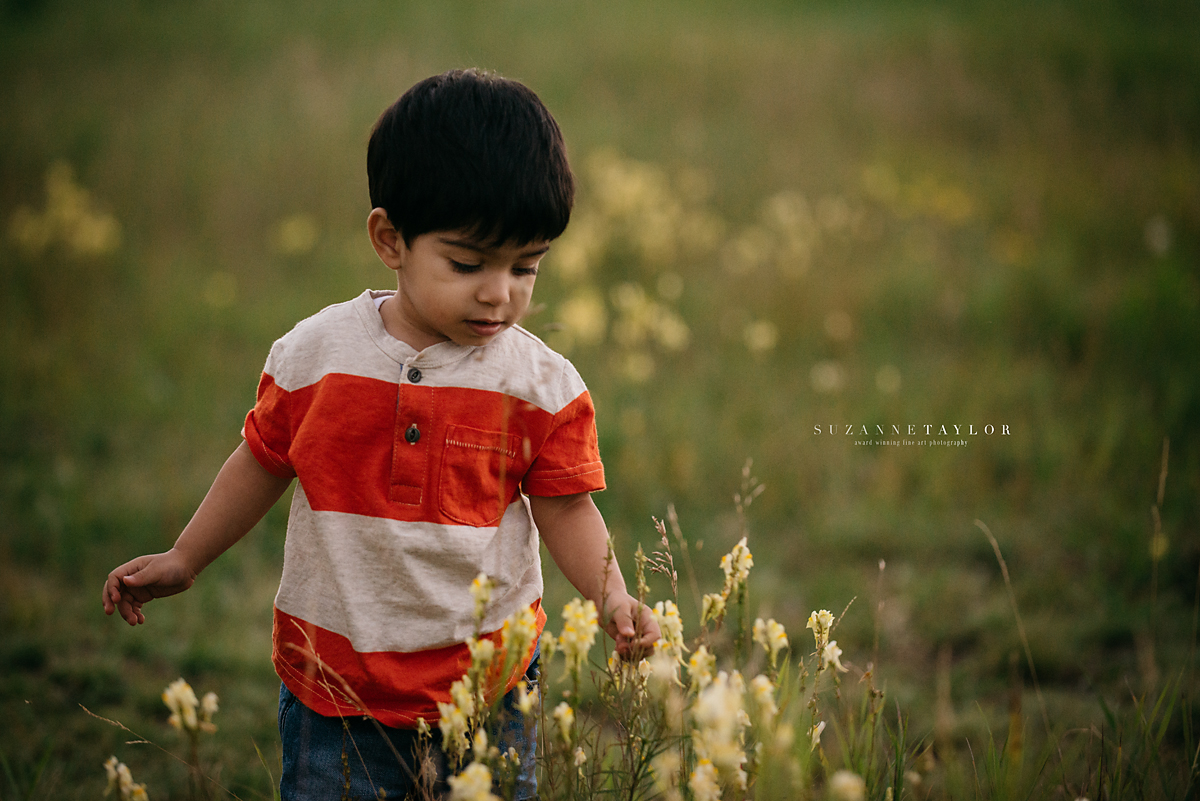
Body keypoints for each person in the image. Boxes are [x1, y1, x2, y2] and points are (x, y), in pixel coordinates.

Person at [101, 68, 660, 800]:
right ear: (389, 238)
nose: (500, 293)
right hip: (338, 692)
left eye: (526, 266)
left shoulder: (541, 385)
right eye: (468, 264)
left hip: (488, 692)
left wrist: (613, 597)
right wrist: (186, 556)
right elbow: (263, 460)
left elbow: (564, 506)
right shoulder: (317, 357)